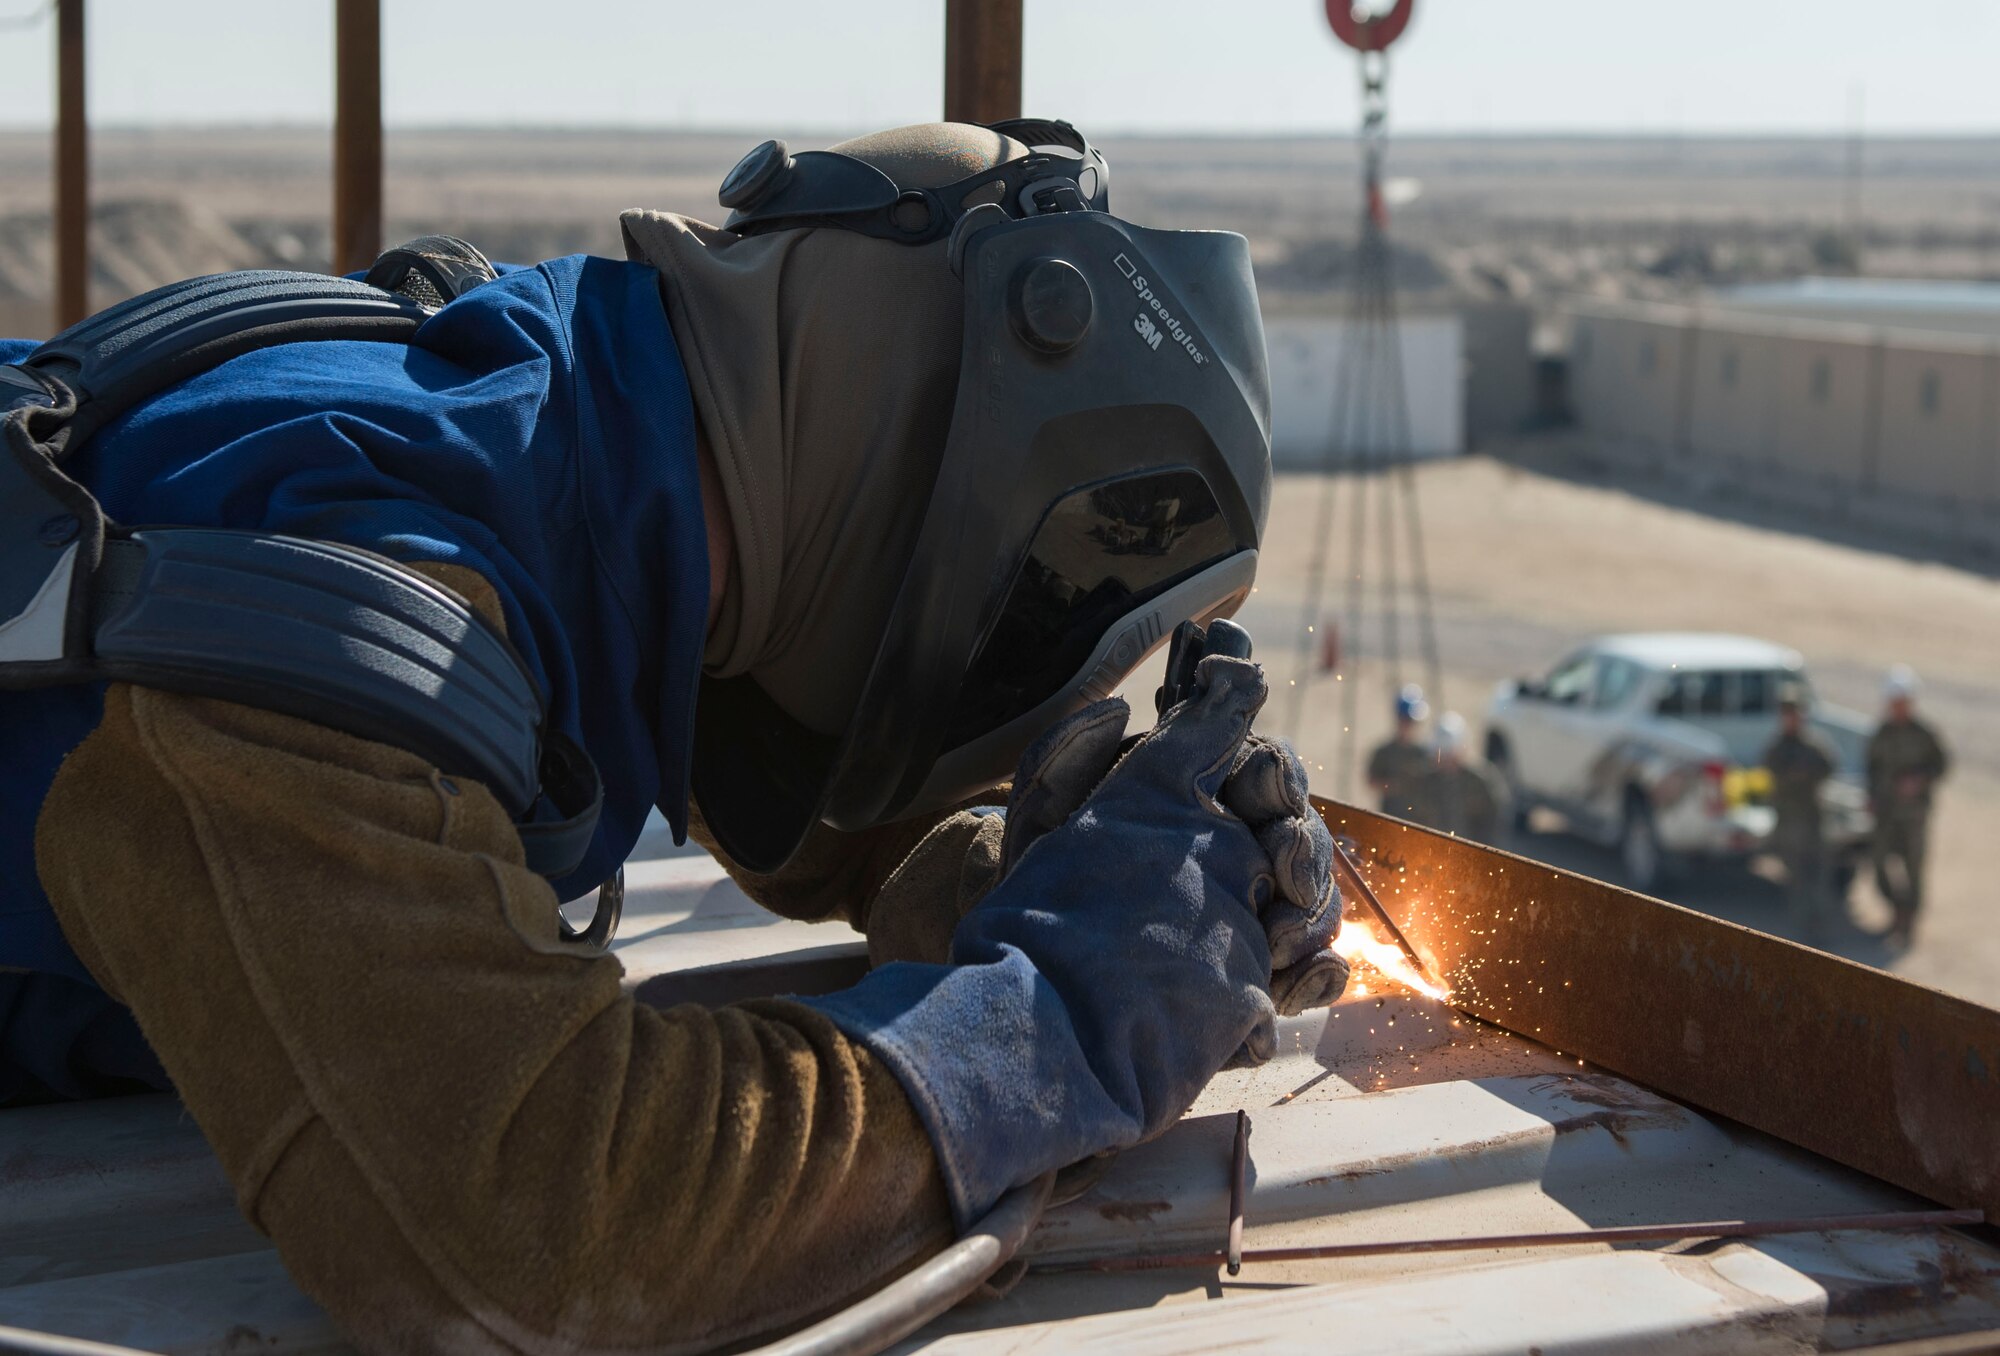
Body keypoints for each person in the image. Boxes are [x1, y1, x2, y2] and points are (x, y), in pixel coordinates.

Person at [1, 122, 1348, 1352]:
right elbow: (538, 1236)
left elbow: (756, 789)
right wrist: (1061, 1020)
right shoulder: (322, 605)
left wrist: (1024, 883)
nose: (1023, 693)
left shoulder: (534, 421)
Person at [1867, 664, 1949, 946]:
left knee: (1914, 870)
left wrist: (1919, 780)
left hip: (1914, 815)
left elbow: (1941, 766)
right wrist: (1873, 797)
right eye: (1894, 702)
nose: (1898, 707)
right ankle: (1896, 910)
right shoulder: (1881, 734)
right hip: (1887, 814)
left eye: (1903, 702)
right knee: (1879, 864)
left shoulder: (1925, 734)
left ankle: (1908, 923)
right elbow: (1871, 768)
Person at [1763, 683, 1837, 943]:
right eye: (1786, 713)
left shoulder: (1814, 746)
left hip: (1812, 824)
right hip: (1789, 826)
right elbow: (1774, 777)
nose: (1790, 718)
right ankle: (1801, 933)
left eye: (1794, 712)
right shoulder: (1777, 749)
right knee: (1795, 881)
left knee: (1817, 878)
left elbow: (1828, 767)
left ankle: (1819, 931)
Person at [1407, 710, 1509, 846]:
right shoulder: (1424, 781)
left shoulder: (1482, 781)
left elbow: (1496, 823)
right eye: (1442, 756)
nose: (1446, 761)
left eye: (1449, 755)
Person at [1367, 683, 1431, 819]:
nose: (1409, 726)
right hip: (1390, 817)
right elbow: (1371, 781)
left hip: (1419, 821)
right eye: (1406, 721)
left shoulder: (1424, 754)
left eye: (1412, 722)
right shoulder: (1384, 752)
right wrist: (1392, 786)